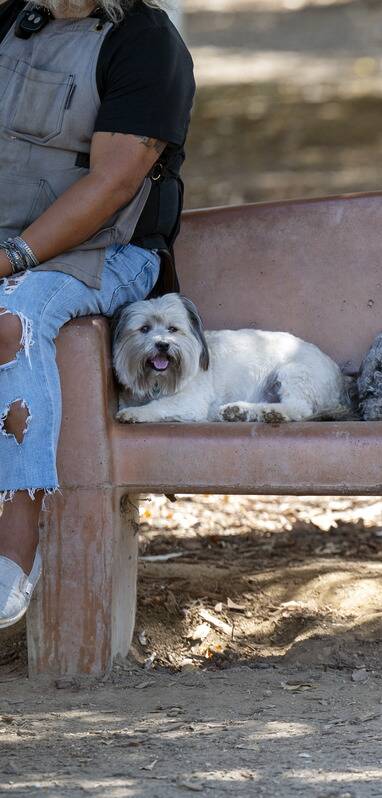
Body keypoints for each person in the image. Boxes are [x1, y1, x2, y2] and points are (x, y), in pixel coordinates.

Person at [0, 0, 194, 627]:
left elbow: (113, 183)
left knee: (16, 316)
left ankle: (15, 544)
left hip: (108, 251)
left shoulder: (145, 42)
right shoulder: (11, 21)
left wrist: (11, 258)